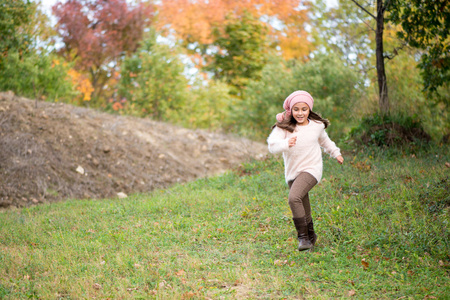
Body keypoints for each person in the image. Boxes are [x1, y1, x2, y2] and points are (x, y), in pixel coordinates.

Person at [267, 90, 344, 251]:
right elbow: (272, 145)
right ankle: (311, 236)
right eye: (296, 109)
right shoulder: (285, 128)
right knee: (303, 204)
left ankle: (303, 238)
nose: (300, 113)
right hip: (293, 172)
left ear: (309, 110)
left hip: (312, 169)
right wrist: (286, 143)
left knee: (293, 198)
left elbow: (325, 141)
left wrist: (336, 153)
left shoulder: (316, 126)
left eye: (304, 109)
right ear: (291, 110)